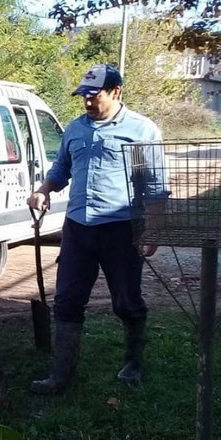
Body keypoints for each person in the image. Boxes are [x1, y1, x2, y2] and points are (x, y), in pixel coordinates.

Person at [27, 64, 166, 394]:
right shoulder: (75, 129)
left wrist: (155, 229)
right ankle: (61, 376)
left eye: (94, 95)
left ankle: (134, 362)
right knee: (67, 301)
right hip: (77, 228)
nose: (87, 101)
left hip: (120, 228)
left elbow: (156, 185)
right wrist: (44, 190)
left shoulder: (141, 131)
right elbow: (61, 169)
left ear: (116, 91)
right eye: (83, 96)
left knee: (126, 300)